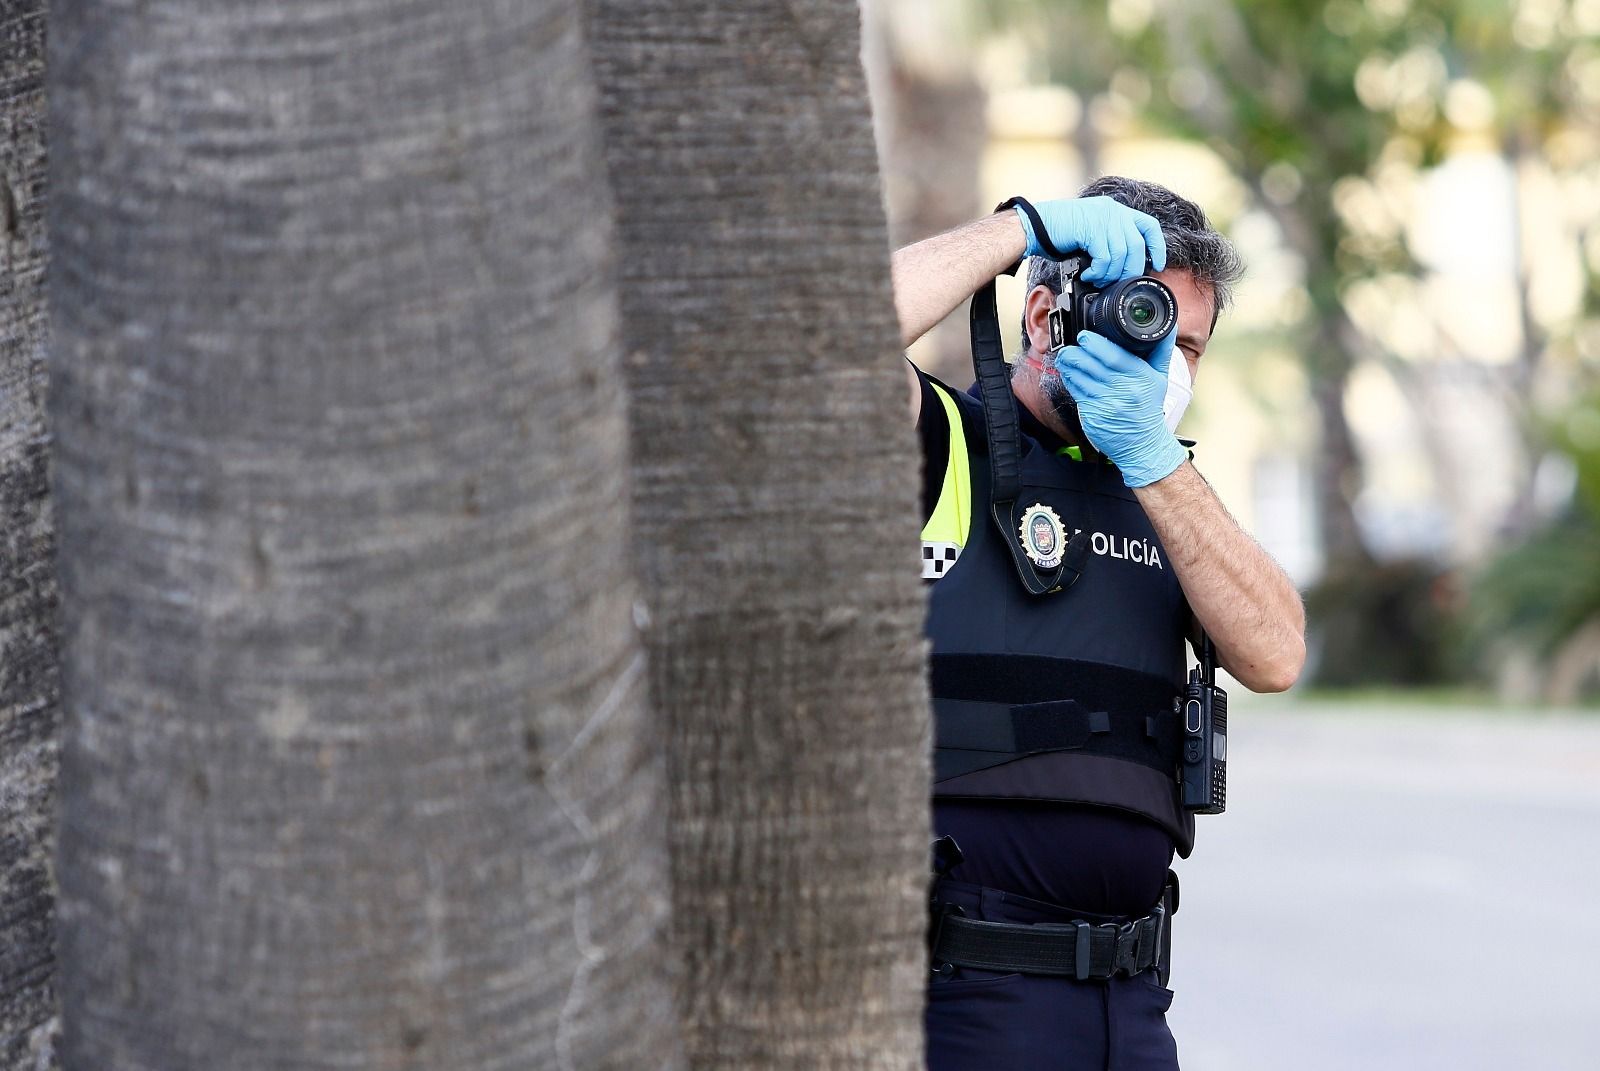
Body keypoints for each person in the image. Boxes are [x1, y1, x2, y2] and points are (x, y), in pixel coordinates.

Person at [894, 176, 1306, 1071]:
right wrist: (1020, 231)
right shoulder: (946, 442)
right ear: (1044, 317)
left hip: (1132, 999)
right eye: (1142, 322)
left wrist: (1155, 461)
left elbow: (1277, 654)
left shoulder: (1168, 493)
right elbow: (814, 338)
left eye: (1185, 345)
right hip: (966, 992)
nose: (1164, 364)